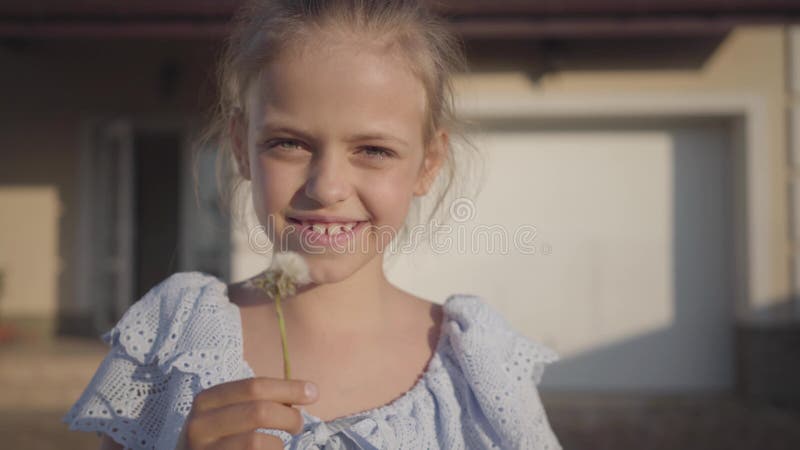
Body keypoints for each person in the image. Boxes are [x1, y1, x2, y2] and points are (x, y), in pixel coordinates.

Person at [62, 1, 562, 448]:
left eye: (373, 150)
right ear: (240, 145)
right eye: (289, 143)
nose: (326, 187)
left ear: (428, 163)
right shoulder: (173, 340)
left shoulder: (477, 366)